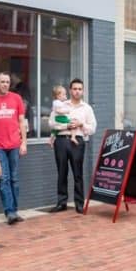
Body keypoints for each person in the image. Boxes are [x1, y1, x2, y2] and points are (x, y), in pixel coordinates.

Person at [0, 72, 27, 225]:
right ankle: (10, 211)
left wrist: (24, 143)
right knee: (4, 178)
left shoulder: (17, 99)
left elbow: (22, 122)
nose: (5, 84)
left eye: (7, 82)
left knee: (14, 178)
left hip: (14, 144)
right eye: (2, 82)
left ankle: (14, 209)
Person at [48, 78, 97, 214]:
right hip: (61, 140)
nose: (77, 91)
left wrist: (81, 124)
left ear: (83, 91)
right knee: (61, 172)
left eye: (79, 89)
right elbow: (51, 123)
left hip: (78, 141)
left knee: (78, 174)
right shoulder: (61, 105)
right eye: (74, 89)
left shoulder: (87, 108)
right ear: (70, 90)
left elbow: (92, 128)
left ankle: (79, 204)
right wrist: (66, 125)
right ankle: (61, 202)